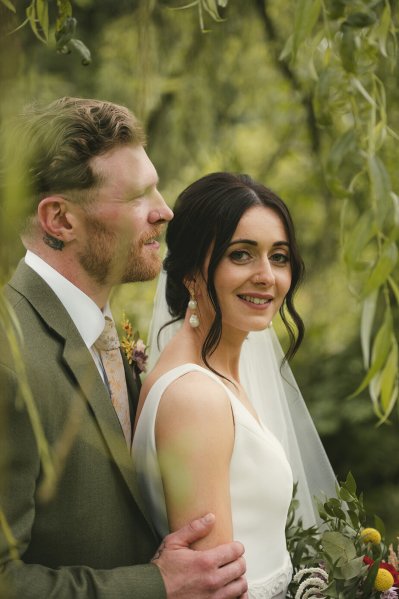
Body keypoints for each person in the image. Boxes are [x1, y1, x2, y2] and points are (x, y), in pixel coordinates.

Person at [0, 98, 248, 598]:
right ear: (60, 220)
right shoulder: (10, 357)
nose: (165, 210)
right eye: (138, 196)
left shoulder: (110, 335)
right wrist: (152, 586)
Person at [132, 172, 337, 598]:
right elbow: (215, 589)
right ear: (191, 273)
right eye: (241, 255)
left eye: (278, 257)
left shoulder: (216, 378)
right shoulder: (195, 398)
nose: (266, 276)